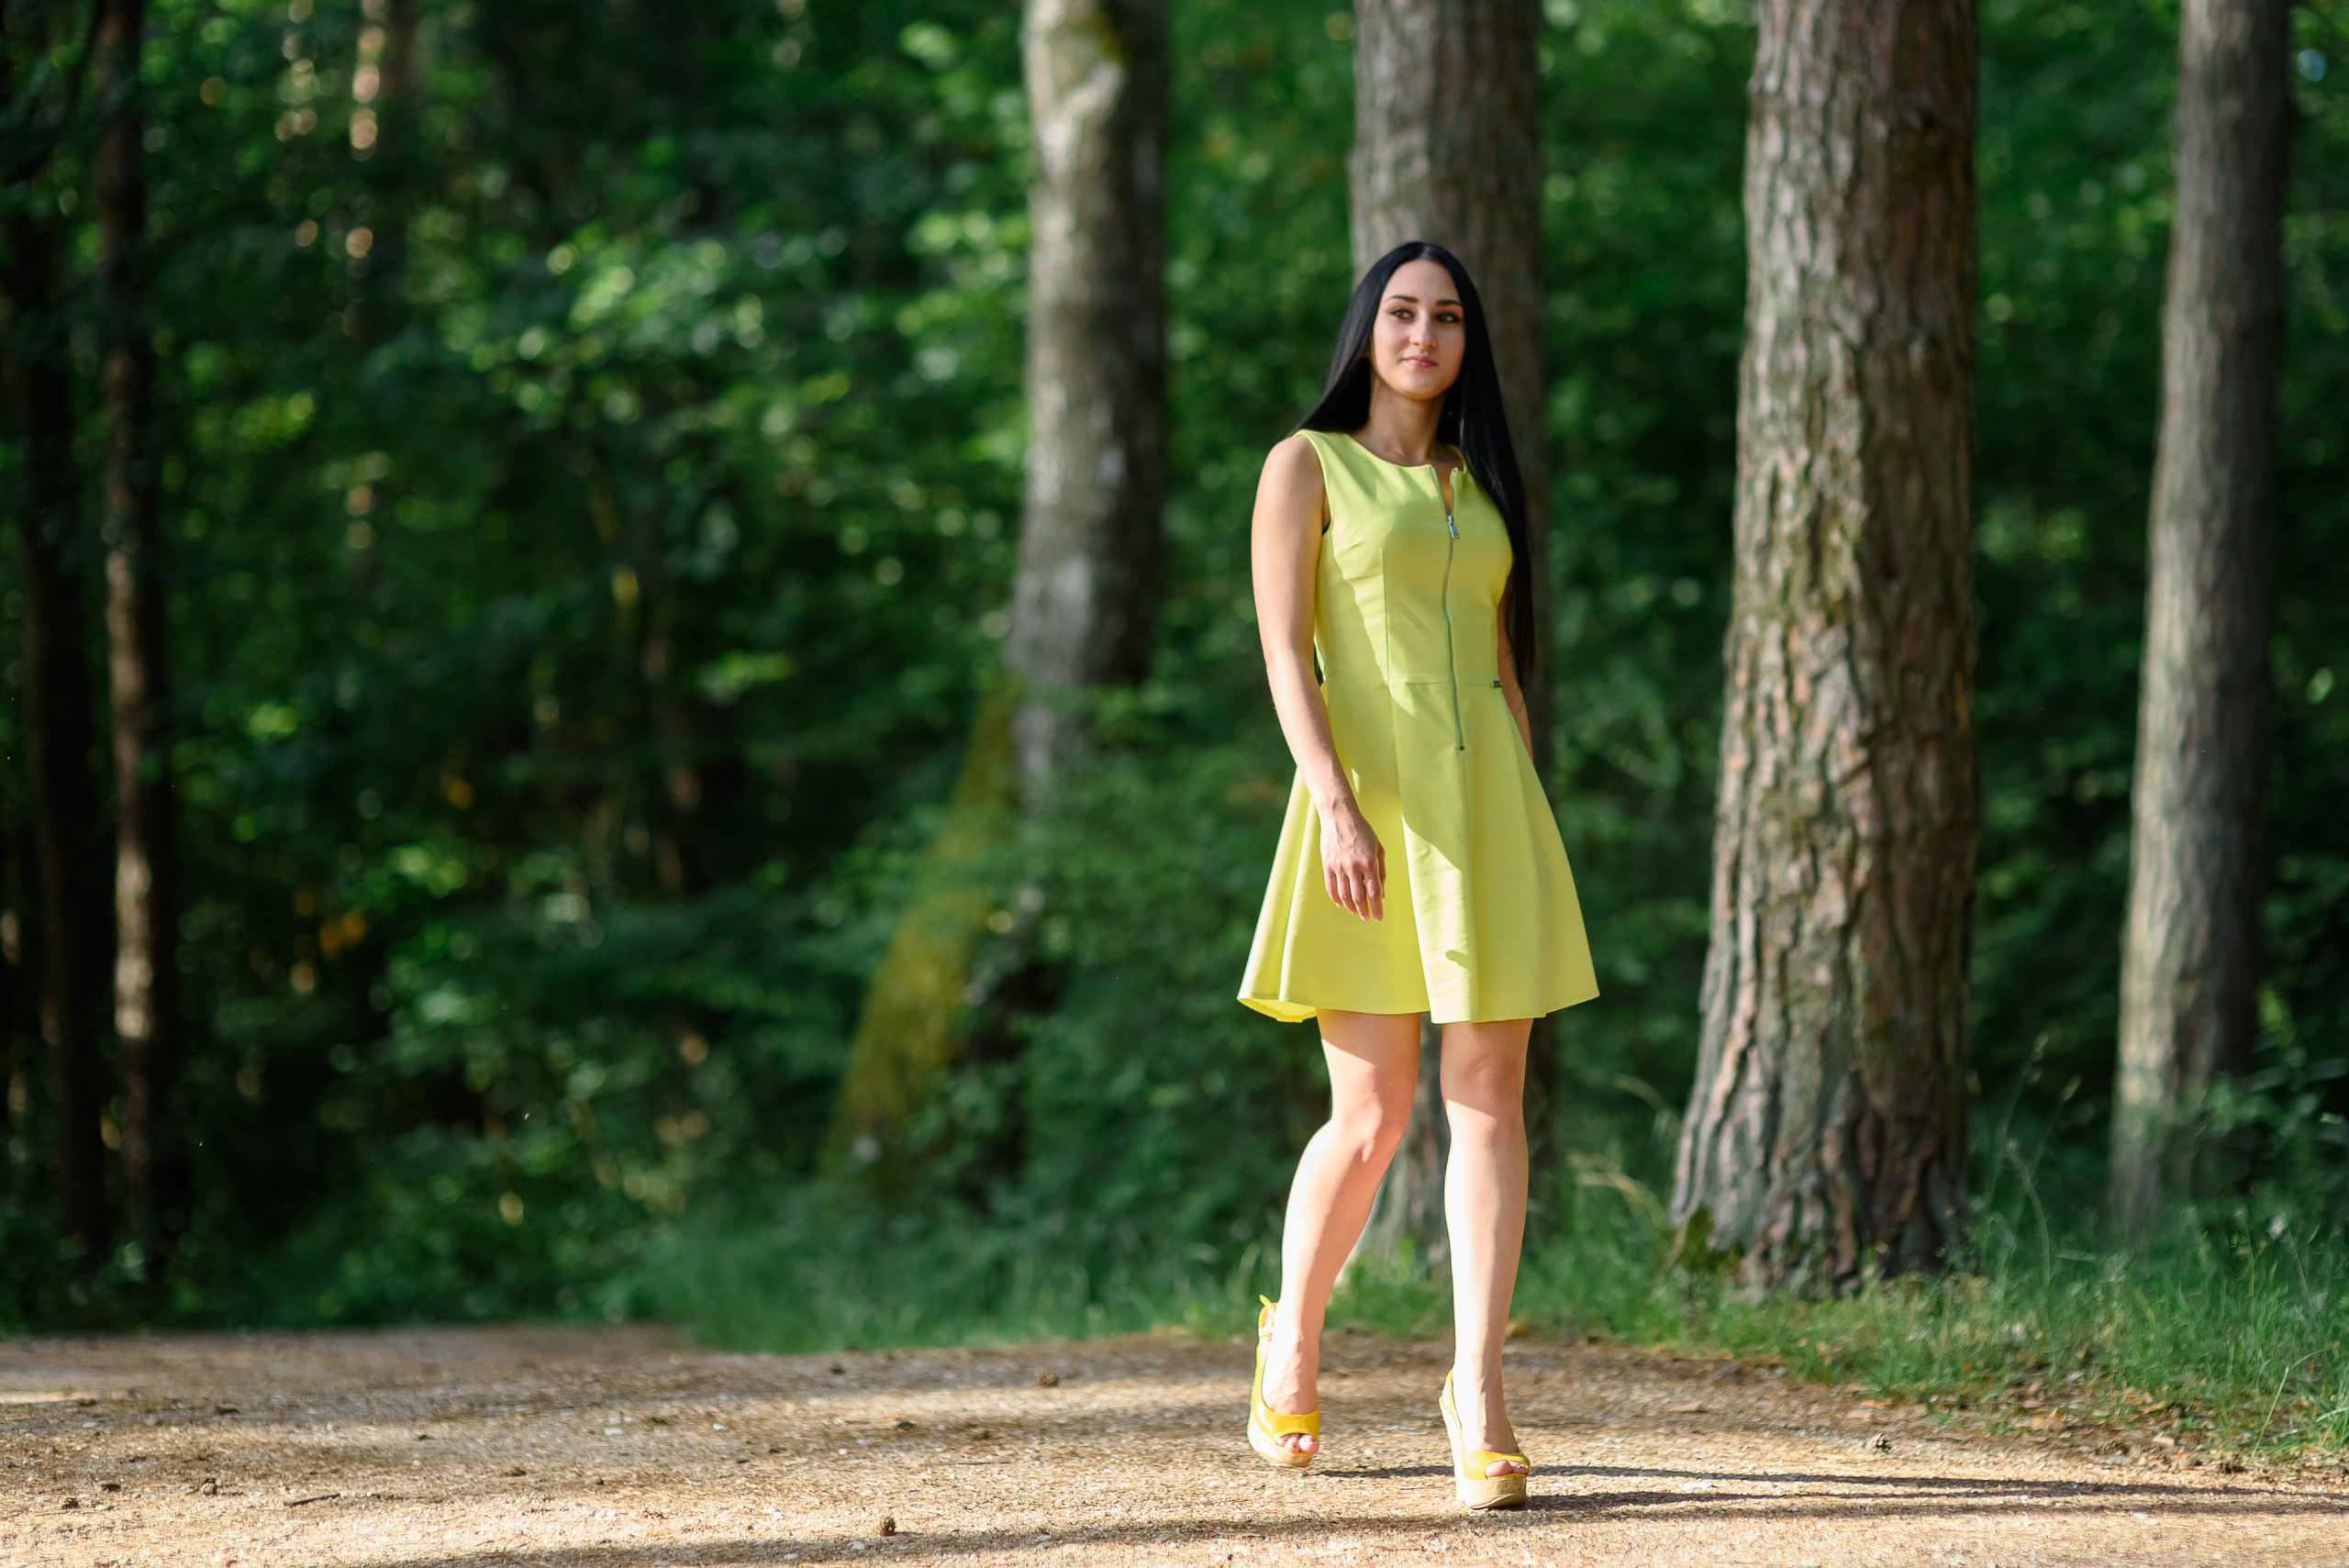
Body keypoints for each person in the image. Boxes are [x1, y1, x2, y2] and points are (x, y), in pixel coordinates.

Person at [1235, 240, 1598, 1510]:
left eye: (1447, 316)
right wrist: (1333, 803)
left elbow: (1507, 668)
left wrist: (1525, 806)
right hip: (1363, 810)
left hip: (1488, 808)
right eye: (1402, 311)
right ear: (1367, 329)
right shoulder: (1307, 464)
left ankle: (1479, 1387)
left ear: (1466, 343)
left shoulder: (1479, 481)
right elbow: (1287, 652)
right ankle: (1293, 1339)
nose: (1424, 333)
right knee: (1374, 1111)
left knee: (1491, 1093)